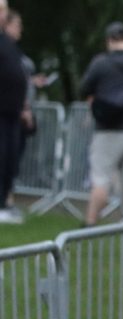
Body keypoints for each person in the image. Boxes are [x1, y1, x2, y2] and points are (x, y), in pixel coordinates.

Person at [79, 21, 123, 227]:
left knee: (101, 179)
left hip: (107, 129)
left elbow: (84, 89)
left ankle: (90, 223)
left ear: (109, 40)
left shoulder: (100, 63)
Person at [2, 6, 31, 221]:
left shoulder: (9, 45)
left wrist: (24, 107)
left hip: (12, 113)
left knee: (9, 159)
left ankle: (4, 202)